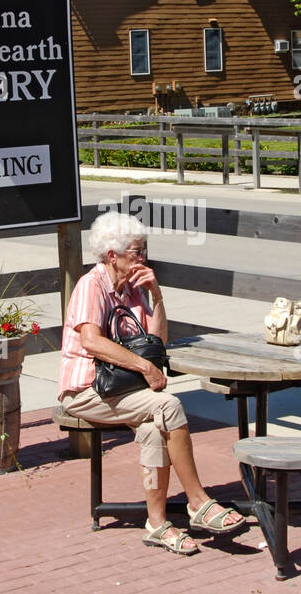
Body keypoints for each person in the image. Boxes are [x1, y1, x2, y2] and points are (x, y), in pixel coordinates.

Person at [58, 210, 245, 554]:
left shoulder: (132, 289)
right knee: (169, 405)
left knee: (154, 429)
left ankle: (157, 524)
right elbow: (91, 341)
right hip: (86, 389)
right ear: (112, 255)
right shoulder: (92, 284)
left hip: (122, 390)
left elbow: (156, 342)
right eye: (136, 251)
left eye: (144, 250)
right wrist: (144, 367)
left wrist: (156, 295)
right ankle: (198, 502)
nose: (143, 257)